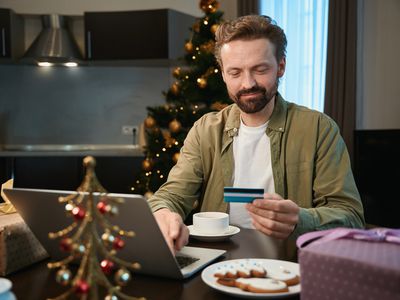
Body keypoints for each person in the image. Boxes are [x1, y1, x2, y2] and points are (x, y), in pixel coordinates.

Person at [148, 15, 365, 255]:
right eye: (235, 73)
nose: (247, 83)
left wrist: (300, 220)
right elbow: (171, 195)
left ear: (281, 66)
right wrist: (163, 214)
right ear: (222, 73)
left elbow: (351, 217)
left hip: (291, 271)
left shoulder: (319, 129)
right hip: (218, 269)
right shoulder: (205, 131)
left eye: (260, 69)